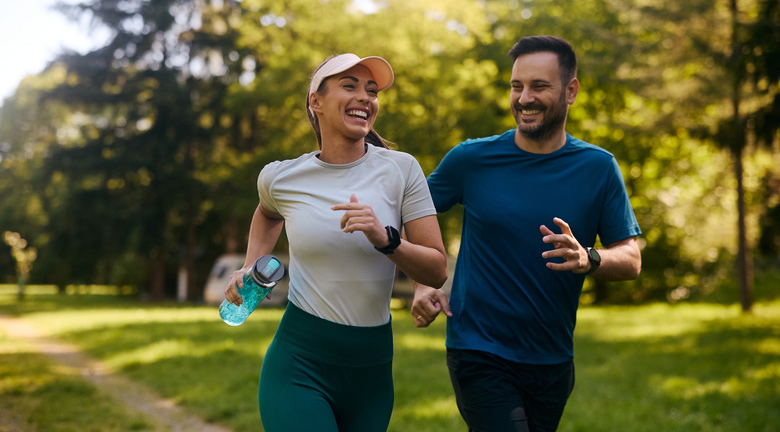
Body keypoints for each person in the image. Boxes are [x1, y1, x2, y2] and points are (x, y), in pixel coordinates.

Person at [411, 36, 642, 432]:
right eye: (517, 86)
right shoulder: (471, 159)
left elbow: (632, 258)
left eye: (539, 86)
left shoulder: (598, 167)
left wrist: (589, 258)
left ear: (571, 91)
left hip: (551, 358)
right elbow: (412, 213)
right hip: (478, 350)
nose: (524, 98)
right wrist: (422, 281)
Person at [224, 53, 448, 432]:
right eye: (350, 86)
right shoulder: (281, 178)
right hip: (299, 364)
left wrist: (386, 239)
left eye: (372, 91)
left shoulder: (402, 169)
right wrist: (251, 265)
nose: (366, 97)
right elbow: (267, 213)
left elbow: (437, 269)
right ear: (316, 101)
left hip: (372, 372)